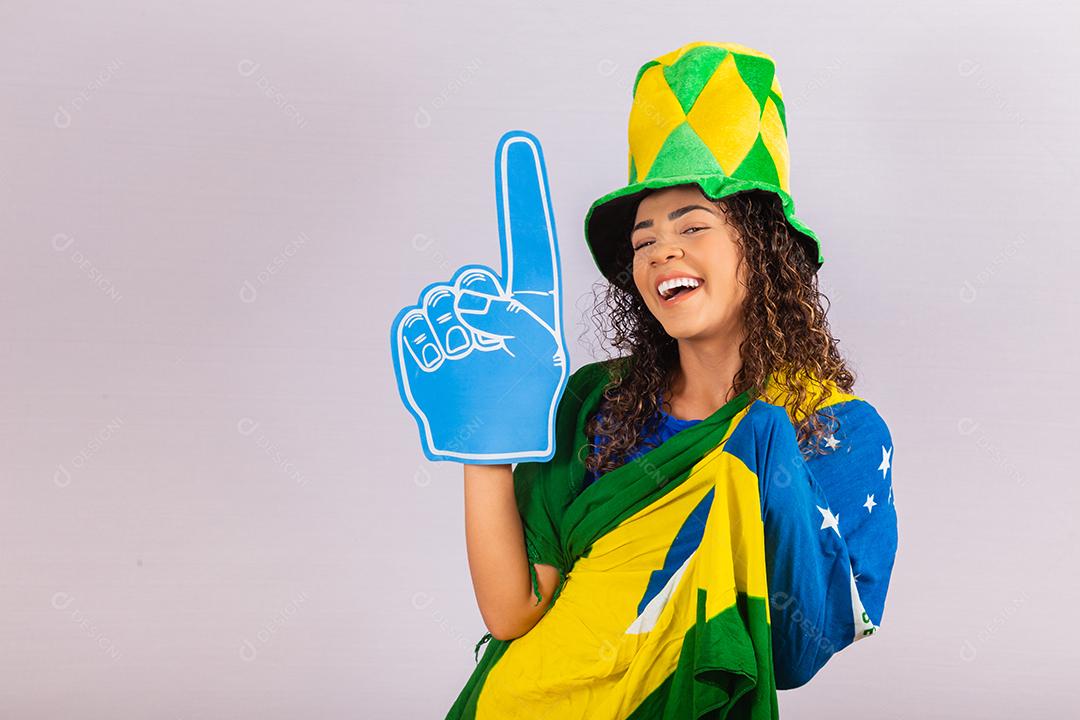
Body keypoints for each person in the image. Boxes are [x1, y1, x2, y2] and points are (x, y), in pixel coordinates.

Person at [449, 41, 898, 719]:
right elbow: (515, 614)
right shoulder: (594, 402)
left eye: (694, 224)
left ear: (764, 248)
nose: (663, 249)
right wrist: (482, 441)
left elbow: (794, 656)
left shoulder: (838, 432)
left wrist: (758, 452)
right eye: (643, 240)